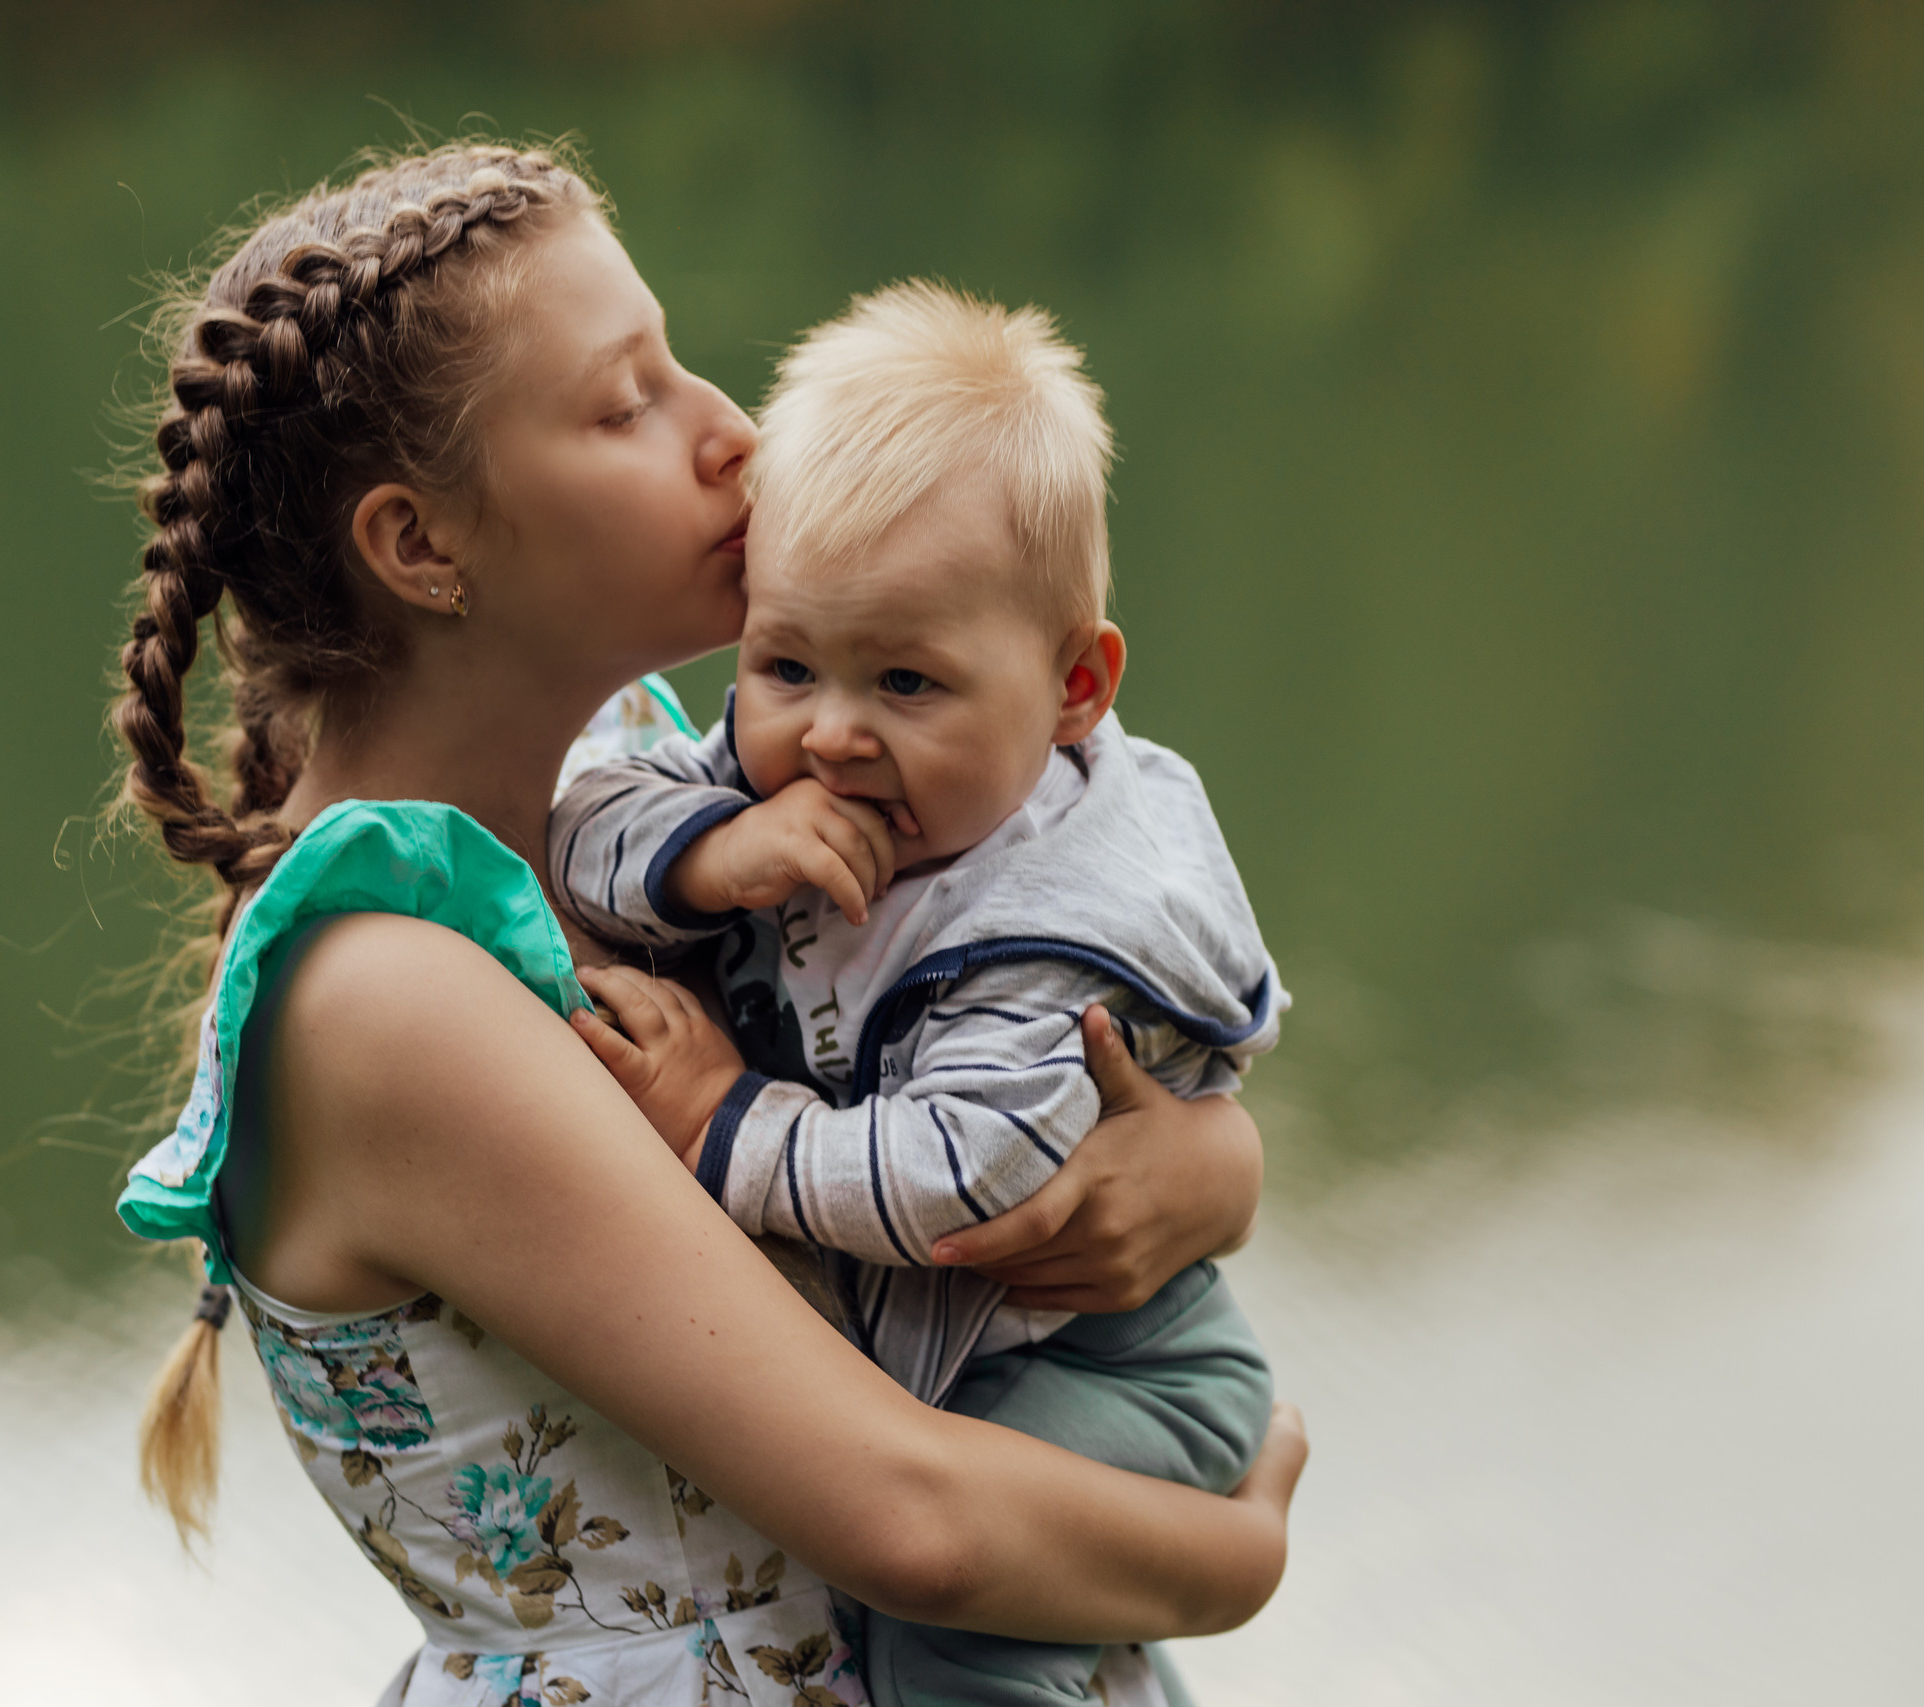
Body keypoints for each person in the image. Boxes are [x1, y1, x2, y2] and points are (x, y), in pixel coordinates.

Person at [105, 142, 1304, 1707]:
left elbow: (981, 1035)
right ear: (422, 547)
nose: (734, 435)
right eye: (627, 404)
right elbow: (912, 1523)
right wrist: (1247, 1547)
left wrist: (1208, 1164)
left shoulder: (666, 823)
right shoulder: (385, 996)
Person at [550, 281, 1282, 1706]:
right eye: (786, 665)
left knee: (962, 1640)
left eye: (907, 681)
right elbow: (581, 824)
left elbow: (947, 1184)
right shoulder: (759, 779)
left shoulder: (1054, 927)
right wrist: (707, 860)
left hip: (1122, 1367)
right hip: (987, 1369)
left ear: (1075, 687)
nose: (830, 734)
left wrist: (717, 1117)